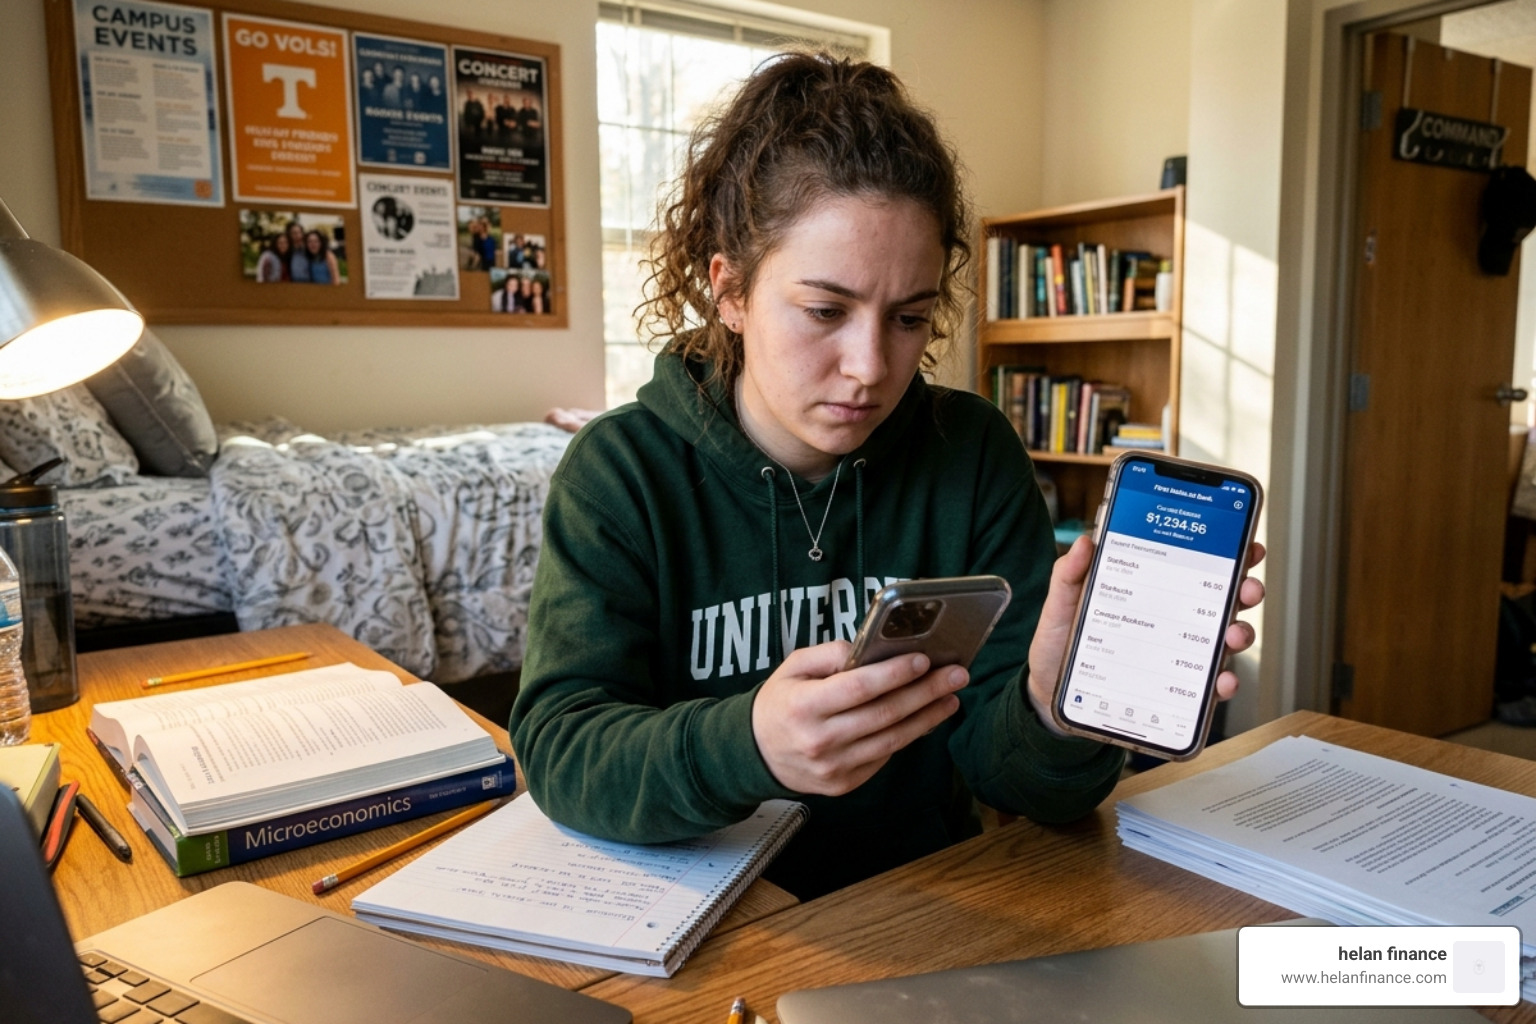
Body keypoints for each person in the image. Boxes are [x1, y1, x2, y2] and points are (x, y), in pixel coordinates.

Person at [509, 53, 1264, 901]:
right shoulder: (622, 473)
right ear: (729, 291)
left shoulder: (971, 453)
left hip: (923, 909)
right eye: (826, 311)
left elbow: (1029, 789)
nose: (870, 367)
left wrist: (1054, 709)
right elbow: (561, 752)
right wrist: (748, 743)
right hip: (707, 927)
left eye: (909, 318)